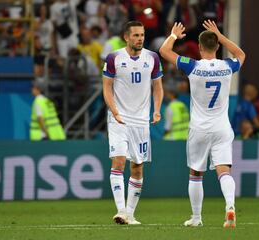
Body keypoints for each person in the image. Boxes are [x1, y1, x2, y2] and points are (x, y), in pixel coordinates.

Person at [159, 20, 246, 228]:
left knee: (195, 174)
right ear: (217, 47)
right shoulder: (227, 67)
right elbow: (241, 54)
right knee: (224, 171)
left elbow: (164, 51)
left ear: (199, 48)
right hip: (222, 128)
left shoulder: (193, 66)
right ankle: (230, 207)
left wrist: (173, 35)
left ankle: (197, 218)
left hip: (199, 128)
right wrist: (220, 35)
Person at [102, 21, 164, 225]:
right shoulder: (114, 58)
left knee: (137, 167)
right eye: (136, 35)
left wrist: (156, 110)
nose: (140, 39)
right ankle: (120, 211)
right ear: (126, 37)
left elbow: (157, 87)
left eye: (142, 35)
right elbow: (107, 88)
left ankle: (130, 213)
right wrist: (114, 111)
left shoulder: (152, 58)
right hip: (119, 119)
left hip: (141, 122)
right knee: (119, 161)